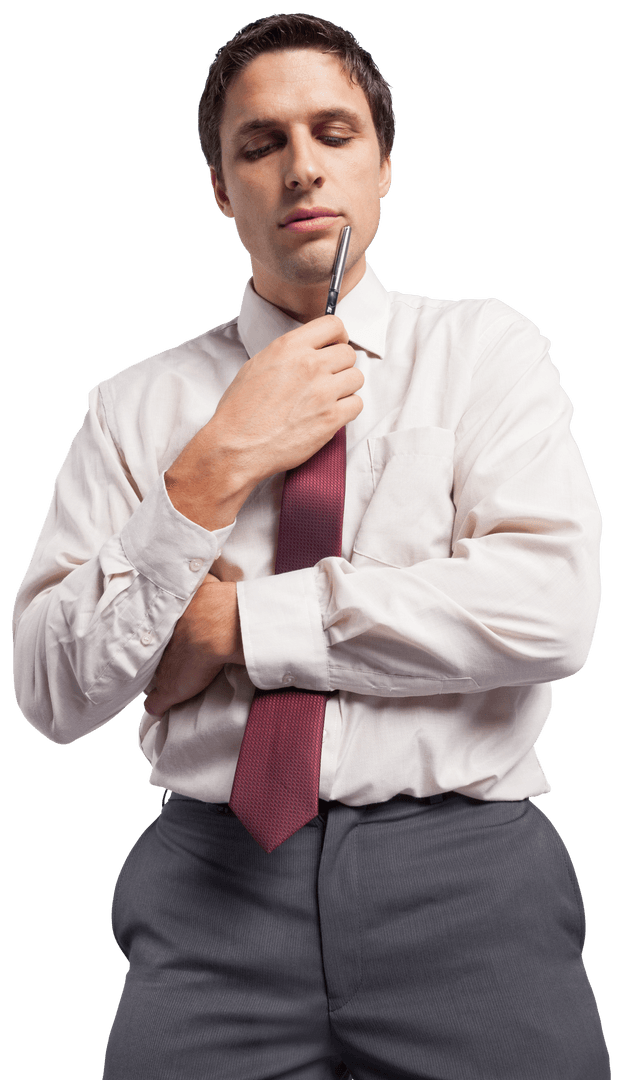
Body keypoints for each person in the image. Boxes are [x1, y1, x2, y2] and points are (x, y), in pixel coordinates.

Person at [12, 12, 610, 1080]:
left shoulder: (485, 354)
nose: (299, 168)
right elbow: (55, 691)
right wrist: (208, 474)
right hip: (209, 892)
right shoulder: (131, 409)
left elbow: (544, 611)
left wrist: (233, 624)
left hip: (468, 884)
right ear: (217, 185)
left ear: (382, 164)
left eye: (332, 133)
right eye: (259, 143)